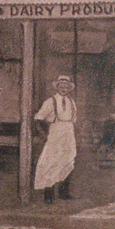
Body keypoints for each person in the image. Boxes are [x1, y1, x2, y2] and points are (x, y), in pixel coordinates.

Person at [33, 75, 77, 203]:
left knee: (68, 161)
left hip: (68, 133)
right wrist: (43, 135)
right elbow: (38, 118)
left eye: (66, 87)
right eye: (61, 86)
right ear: (57, 87)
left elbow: (74, 121)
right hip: (55, 132)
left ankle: (64, 192)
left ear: (69, 89)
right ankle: (49, 195)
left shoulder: (71, 102)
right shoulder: (50, 101)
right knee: (51, 163)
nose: (64, 89)